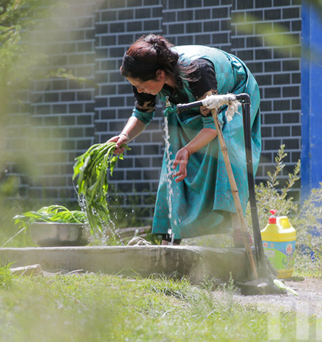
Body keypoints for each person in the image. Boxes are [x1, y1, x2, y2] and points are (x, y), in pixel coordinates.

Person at [109, 34, 261, 245]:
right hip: (190, 100)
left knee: (224, 143)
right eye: (135, 86)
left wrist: (188, 150)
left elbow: (212, 127)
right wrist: (124, 136)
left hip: (233, 92)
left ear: (160, 74)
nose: (139, 90)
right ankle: (169, 237)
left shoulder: (198, 72)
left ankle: (238, 230)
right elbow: (142, 114)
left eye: (141, 85)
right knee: (174, 152)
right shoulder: (145, 77)